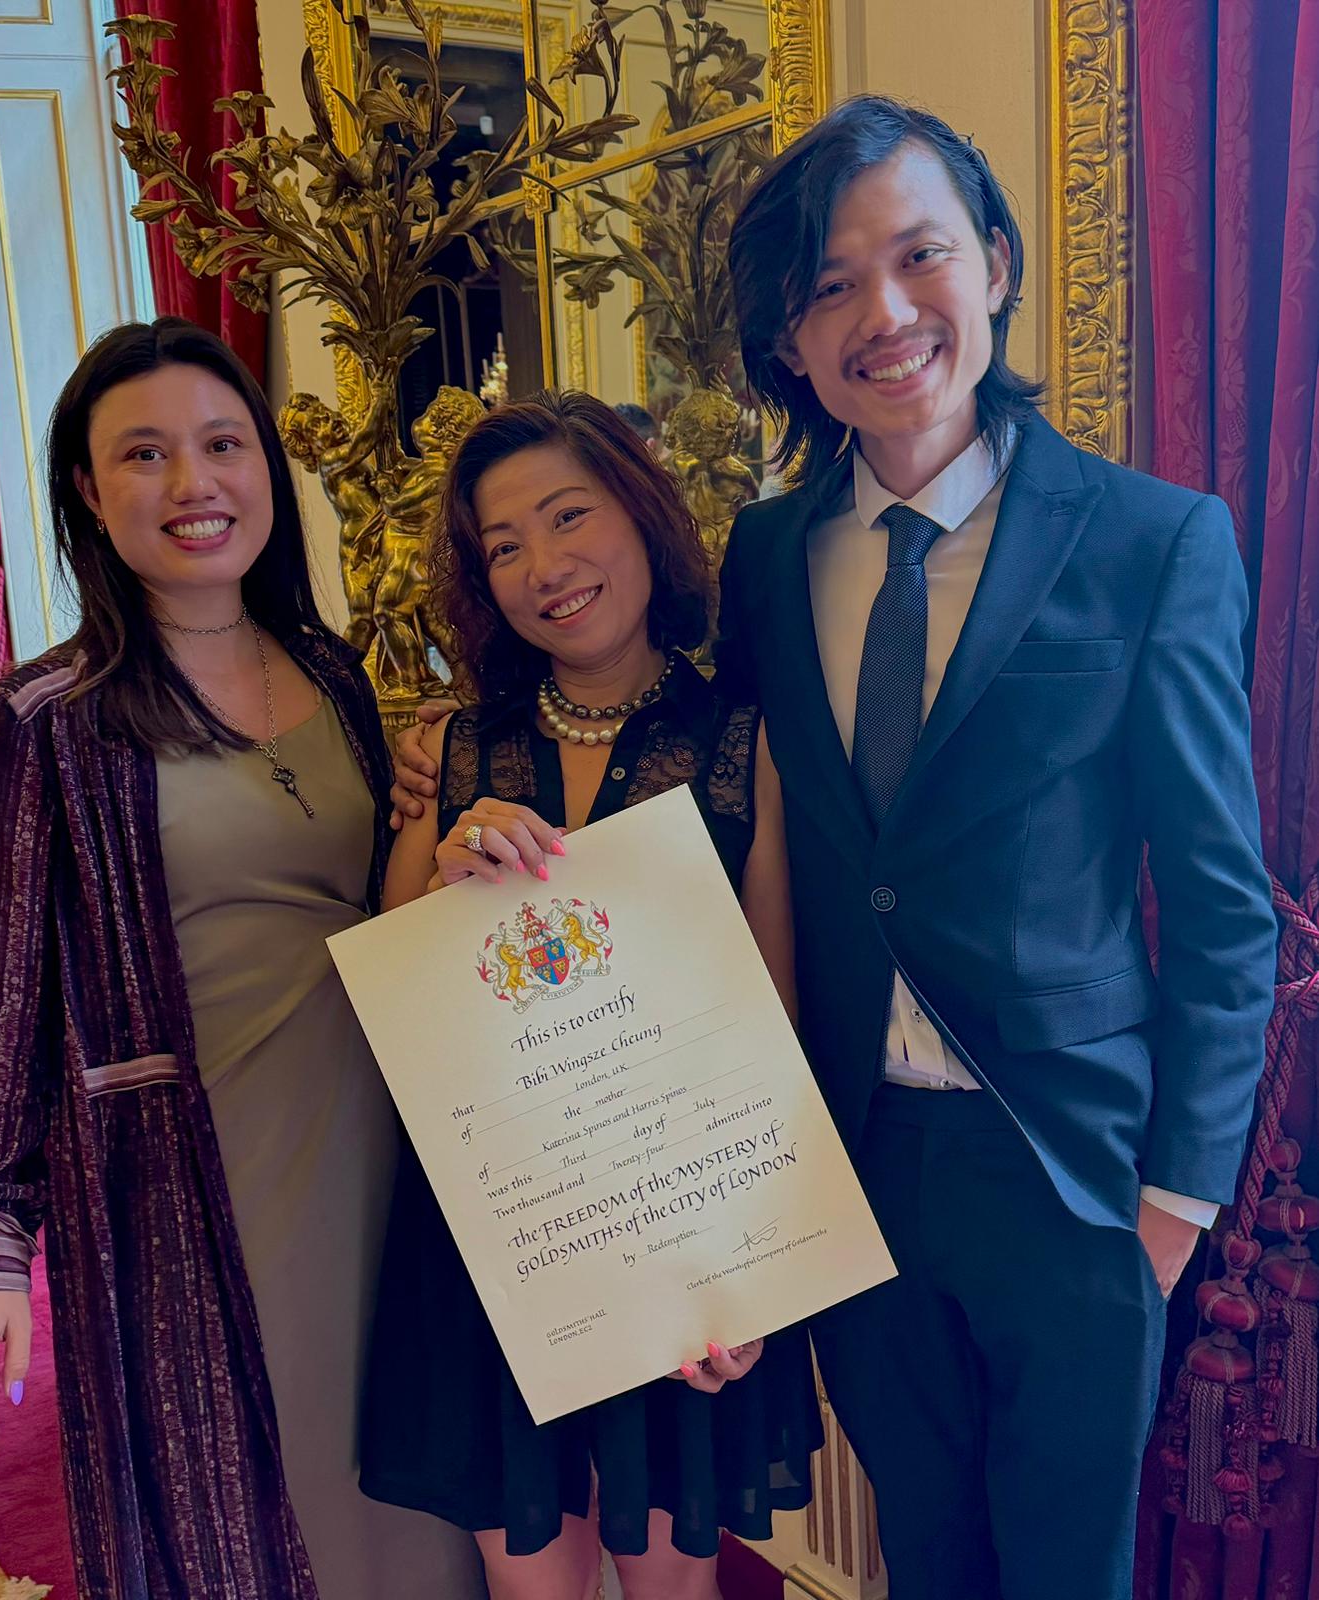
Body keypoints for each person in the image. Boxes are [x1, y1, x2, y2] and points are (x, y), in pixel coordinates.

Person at [394, 98, 1279, 1599]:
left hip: (1067, 1176)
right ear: (788, 346)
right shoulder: (761, 553)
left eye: (917, 256)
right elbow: (688, 806)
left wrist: (1168, 1210)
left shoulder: (1154, 540)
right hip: (845, 1171)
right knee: (924, 1561)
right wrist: (457, 751)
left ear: (991, 265)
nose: (881, 314)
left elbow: (1218, 912)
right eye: (824, 287)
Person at [0, 317, 485, 1599]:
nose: (194, 485)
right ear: (87, 488)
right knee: (247, 1507)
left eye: (222, 444)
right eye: (144, 454)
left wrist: (431, 813)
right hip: (195, 1185)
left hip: (394, 1153)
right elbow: (6, 997)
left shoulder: (335, 672)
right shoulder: (45, 718)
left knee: (422, 1486)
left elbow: (377, 908)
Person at [361, 389, 823, 1600]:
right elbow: (393, 1006)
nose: (542, 567)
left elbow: (772, 1018)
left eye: (569, 517)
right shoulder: (455, 746)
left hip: (676, 1242)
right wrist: (450, 870)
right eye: (501, 547)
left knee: (671, 1586)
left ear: (641, 513)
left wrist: (749, 1272)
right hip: (501, 1242)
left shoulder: (743, 739)